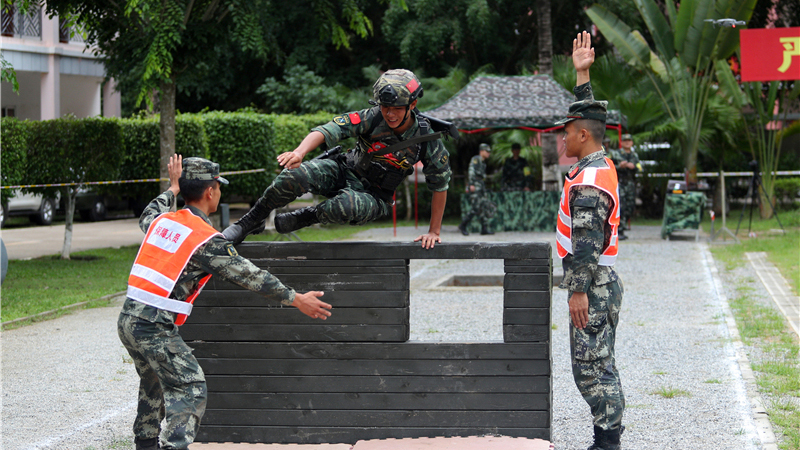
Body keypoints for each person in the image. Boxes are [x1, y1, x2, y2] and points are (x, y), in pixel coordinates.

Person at [118, 155, 333, 450]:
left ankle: (145, 443)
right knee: (190, 386)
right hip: (153, 325)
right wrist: (296, 299)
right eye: (218, 187)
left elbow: (149, 212)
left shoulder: (162, 221)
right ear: (211, 192)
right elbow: (250, 275)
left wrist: (172, 187)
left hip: (128, 320)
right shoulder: (206, 240)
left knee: (153, 380)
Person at [222, 69, 452, 249]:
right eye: (384, 107)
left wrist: (434, 231)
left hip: (374, 195)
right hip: (345, 170)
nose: (389, 113)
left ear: (412, 105)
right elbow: (330, 128)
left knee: (346, 206)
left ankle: (307, 217)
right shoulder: (372, 117)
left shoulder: (427, 139)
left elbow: (440, 185)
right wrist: (299, 152)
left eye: (396, 108)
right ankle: (249, 222)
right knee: (293, 176)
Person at [554, 31, 625, 450]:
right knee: (598, 363)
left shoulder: (591, 179)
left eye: (567, 133)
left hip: (592, 283)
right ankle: (608, 438)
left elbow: (585, 243)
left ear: (582, 136)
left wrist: (577, 291)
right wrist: (582, 75)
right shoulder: (597, 162)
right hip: (599, 281)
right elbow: (590, 115)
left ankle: (608, 443)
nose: (563, 138)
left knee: (591, 369)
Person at [458, 143, 495, 236]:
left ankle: (484, 229)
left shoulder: (483, 163)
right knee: (475, 207)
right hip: (475, 186)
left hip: (481, 187)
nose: (488, 153)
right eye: (487, 151)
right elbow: (471, 171)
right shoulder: (476, 159)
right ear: (481, 151)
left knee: (483, 206)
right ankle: (463, 225)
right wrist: (471, 184)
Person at [616, 133, 642, 240]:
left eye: (629, 141)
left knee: (630, 206)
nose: (627, 142)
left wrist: (634, 166)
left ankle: (623, 225)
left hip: (630, 183)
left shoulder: (634, 155)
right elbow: (610, 166)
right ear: (622, 143)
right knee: (620, 206)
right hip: (620, 182)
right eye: (625, 141)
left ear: (631, 142)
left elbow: (640, 168)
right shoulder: (617, 154)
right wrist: (620, 166)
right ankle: (619, 229)